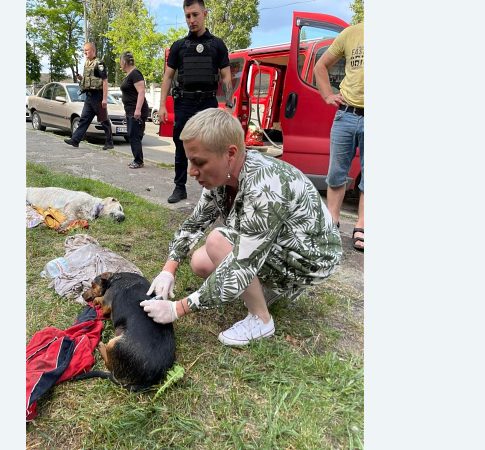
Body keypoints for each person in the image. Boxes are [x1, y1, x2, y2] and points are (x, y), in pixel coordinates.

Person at [139, 108, 342, 346]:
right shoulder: (223, 177)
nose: (191, 171)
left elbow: (242, 262)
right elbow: (195, 222)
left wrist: (178, 308)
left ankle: (261, 320)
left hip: (311, 260)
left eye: (199, 162)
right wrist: (168, 269)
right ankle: (267, 290)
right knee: (201, 262)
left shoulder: (265, 186)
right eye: (189, 161)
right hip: (280, 247)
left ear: (230, 154)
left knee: (218, 241)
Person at [158, 0, 233, 203]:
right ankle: (179, 187)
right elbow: (167, 77)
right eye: (188, 16)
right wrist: (162, 105)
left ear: (205, 13)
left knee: (213, 146)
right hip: (185, 103)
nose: (191, 20)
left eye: (195, 14)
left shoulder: (217, 45)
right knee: (182, 145)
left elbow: (226, 76)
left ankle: (213, 191)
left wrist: (229, 104)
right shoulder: (179, 46)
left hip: (208, 103)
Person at [314, 22, 364, 251]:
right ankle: (332, 220)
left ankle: (362, 226)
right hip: (347, 114)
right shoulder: (351, 33)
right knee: (336, 172)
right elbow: (320, 66)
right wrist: (327, 94)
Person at [65, 42, 114, 151]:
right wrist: (81, 78)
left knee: (103, 120)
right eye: (84, 50)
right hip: (89, 97)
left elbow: (105, 81)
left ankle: (109, 142)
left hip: (98, 96)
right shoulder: (87, 63)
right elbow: (89, 81)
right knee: (84, 119)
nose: (85, 52)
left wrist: (105, 99)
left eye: (86, 50)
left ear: (93, 50)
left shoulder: (99, 63)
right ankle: (75, 140)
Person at [118, 51, 149, 169]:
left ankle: (138, 161)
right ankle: (137, 159)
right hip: (130, 109)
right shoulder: (129, 74)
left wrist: (137, 110)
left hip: (136, 110)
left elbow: (141, 92)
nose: (120, 64)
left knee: (133, 135)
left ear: (124, 62)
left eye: (121, 62)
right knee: (134, 135)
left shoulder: (135, 74)